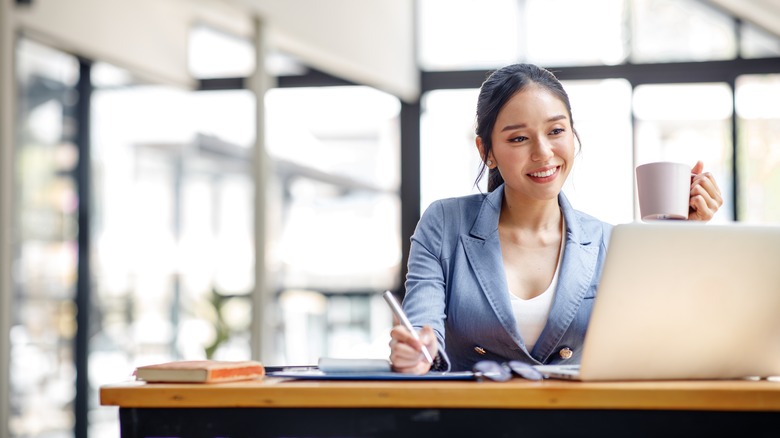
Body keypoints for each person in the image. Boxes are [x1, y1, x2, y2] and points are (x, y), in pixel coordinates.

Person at [389, 63, 723, 374]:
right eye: (519, 138)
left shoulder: (609, 242)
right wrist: (416, 355)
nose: (543, 152)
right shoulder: (445, 223)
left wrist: (685, 237)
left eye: (556, 130)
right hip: (471, 421)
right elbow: (422, 332)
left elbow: (657, 342)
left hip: (578, 420)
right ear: (486, 151)